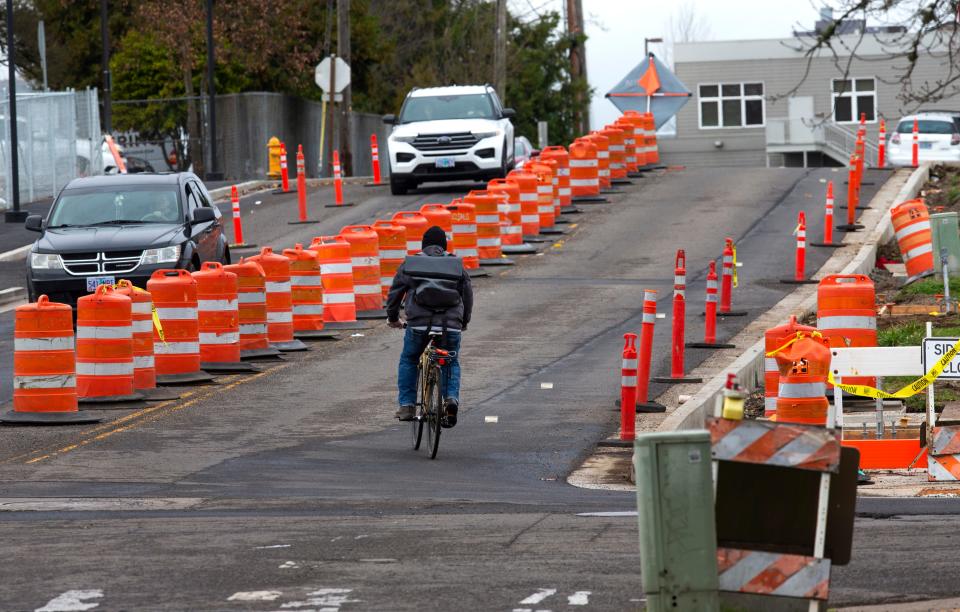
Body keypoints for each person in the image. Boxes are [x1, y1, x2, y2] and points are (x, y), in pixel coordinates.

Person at [387, 226, 473, 427]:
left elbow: (394, 295)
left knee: (409, 359)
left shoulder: (410, 263)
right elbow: (467, 296)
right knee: (450, 361)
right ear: (444, 246)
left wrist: (393, 318)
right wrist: (464, 322)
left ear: (423, 245)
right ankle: (450, 400)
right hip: (450, 324)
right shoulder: (457, 265)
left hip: (418, 324)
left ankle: (407, 406)